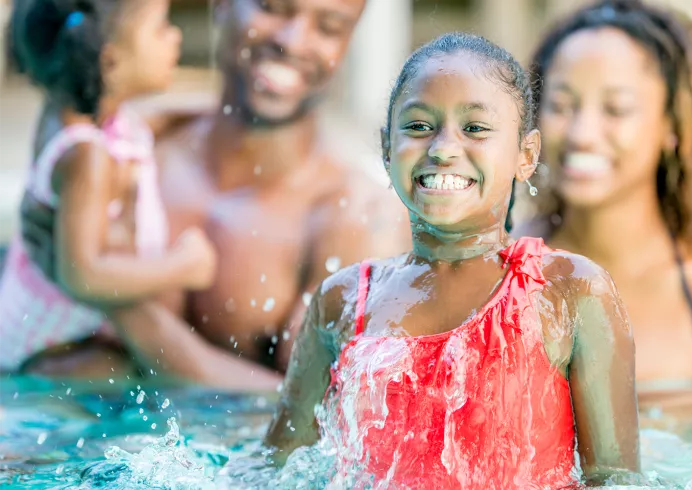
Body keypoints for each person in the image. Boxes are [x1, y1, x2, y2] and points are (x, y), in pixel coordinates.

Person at [264, 33, 640, 489]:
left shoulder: (570, 291)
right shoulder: (344, 301)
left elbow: (617, 480)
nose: (442, 148)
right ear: (387, 149)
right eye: (419, 126)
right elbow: (275, 469)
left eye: (475, 129)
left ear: (526, 154)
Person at [16, 0, 410, 388]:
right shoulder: (127, 148)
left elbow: (318, 419)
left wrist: (118, 302)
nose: (292, 41)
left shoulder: (355, 218)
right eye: (272, 7)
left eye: (329, 27)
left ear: (349, 41)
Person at [526, 0, 692, 401]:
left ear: (672, 125)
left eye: (616, 109)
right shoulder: (503, 267)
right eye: (560, 105)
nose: (582, 133)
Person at [0, 0, 219, 373]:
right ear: (111, 61)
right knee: (136, 375)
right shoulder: (86, 157)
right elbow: (82, 274)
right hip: (47, 352)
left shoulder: (80, 114)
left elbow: (151, 122)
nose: (175, 36)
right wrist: (184, 266)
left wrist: (215, 111)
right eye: (161, 27)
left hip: (64, 330)